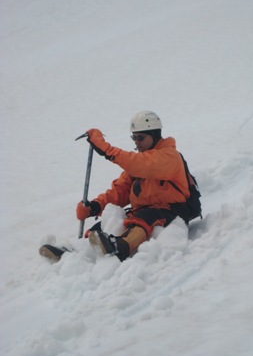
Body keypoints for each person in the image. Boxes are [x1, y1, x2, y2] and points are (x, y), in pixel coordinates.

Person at [40, 111, 190, 262]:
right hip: (142, 211)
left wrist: (107, 150)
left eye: (141, 137)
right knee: (108, 222)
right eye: (134, 137)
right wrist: (95, 206)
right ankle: (77, 251)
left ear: (155, 135)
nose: (136, 142)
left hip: (172, 210)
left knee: (146, 217)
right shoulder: (137, 165)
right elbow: (120, 191)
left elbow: (142, 164)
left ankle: (122, 246)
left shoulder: (170, 156)